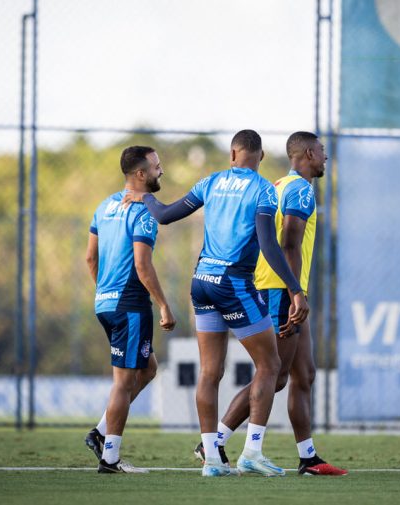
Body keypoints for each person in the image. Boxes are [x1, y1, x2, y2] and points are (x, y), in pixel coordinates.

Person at [124, 129, 309, 477]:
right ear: (261, 157)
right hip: (234, 283)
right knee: (269, 366)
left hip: (202, 282)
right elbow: (270, 245)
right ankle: (252, 451)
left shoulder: (211, 182)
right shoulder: (264, 190)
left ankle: (212, 459)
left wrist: (142, 197)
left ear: (232, 153)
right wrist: (295, 289)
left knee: (210, 371)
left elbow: (164, 215)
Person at [193, 131, 346, 476]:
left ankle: (308, 457)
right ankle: (214, 441)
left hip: (280, 287)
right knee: (273, 373)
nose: (326, 158)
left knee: (303, 373)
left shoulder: (278, 185)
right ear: (308, 154)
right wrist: (296, 294)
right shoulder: (301, 190)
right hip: (280, 289)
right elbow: (290, 243)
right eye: (322, 152)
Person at [84, 146, 176, 473]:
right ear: (141, 174)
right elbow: (142, 265)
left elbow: (90, 259)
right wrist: (164, 306)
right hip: (131, 306)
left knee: (148, 368)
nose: (160, 171)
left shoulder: (104, 205)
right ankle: (110, 458)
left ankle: (100, 431)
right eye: (156, 166)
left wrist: (104, 292)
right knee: (123, 383)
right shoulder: (143, 213)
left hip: (104, 303)